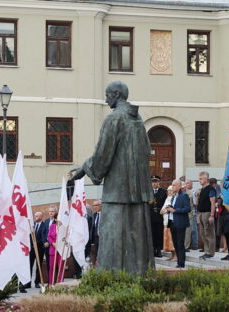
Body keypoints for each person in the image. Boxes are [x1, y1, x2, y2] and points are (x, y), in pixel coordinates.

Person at [68, 81, 155, 276]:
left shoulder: (114, 119)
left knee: (113, 237)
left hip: (117, 190)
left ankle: (111, 278)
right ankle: (138, 276)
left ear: (115, 95)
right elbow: (146, 153)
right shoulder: (137, 119)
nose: (106, 99)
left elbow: (103, 155)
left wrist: (84, 168)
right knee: (136, 238)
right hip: (137, 191)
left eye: (108, 95)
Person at [167, 180, 191, 268]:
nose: (172, 187)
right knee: (175, 243)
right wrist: (169, 208)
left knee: (180, 243)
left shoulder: (184, 195)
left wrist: (175, 210)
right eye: (172, 185)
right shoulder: (174, 196)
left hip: (180, 223)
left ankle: (181, 263)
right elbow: (174, 207)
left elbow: (188, 209)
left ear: (179, 186)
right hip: (172, 222)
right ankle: (178, 261)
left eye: (174, 185)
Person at [196, 172, 217, 259]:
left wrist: (212, 215)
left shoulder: (210, 189)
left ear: (206, 179)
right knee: (202, 233)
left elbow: (212, 203)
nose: (199, 180)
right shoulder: (202, 189)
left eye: (201, 179)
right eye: (199, 178)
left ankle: (210, 252)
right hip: (201, 213)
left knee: (209, 233)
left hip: (207, 213)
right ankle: (206, 250)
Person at [25, 211, 45, 289]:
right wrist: (32, 244)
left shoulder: (44, 225)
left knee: (38, 265)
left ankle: (37, 282)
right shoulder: (31, 225)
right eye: (35, 216)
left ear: (41, 217)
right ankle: (28, 283)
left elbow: (44, 236)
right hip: (31, 249)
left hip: (40, 248)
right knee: (29, 266)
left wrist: (36, 243)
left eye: (37, 216)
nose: (35, 217)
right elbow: (28, 236)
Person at [150, 177, 166, 257]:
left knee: (159, 233)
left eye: (156, 182)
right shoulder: (148, 191)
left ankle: (159, 249)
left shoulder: (163, 191)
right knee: (152, 233)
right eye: (153, 182)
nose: (154, 183)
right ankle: (153, 249)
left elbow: (165, 203)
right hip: (151, 215)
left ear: (158, 182)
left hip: (159, 215)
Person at [160, 186, 176, 260]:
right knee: (168, 240)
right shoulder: (167, 198)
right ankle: (172, 255)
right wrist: (163, 210)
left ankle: (175, 256)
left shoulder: (174, 198)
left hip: (171, 221)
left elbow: (171, 209)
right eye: (168, 190)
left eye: (170, 190)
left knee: (172, 240)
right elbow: (162, 210)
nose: (169, 192)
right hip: (165, 221)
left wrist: (165, 210)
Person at [89, 201, 102, 267]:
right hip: (95, 239)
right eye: (93, 205)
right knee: (94, 255)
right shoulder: (94, 215)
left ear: (101, 205)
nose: (95, 207)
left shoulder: (105, 215)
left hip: (103, 239)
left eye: (96, 205)